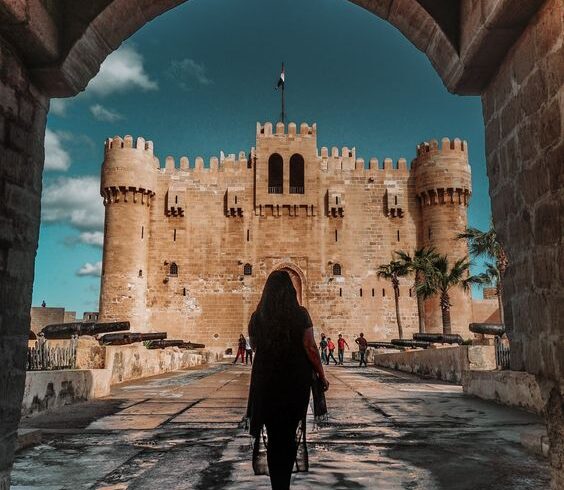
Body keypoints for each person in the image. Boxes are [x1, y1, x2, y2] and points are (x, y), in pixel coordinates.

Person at [247, 270, 329, 490]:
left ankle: (278, 485)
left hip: (266, 380)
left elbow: (254, 347)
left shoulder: (257, 317)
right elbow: (310, 347)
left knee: (273, 434)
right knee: (290, 432)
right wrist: (321, 374)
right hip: (295, 380)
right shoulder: (301, 314)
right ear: (291, 291)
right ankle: (284, 483)